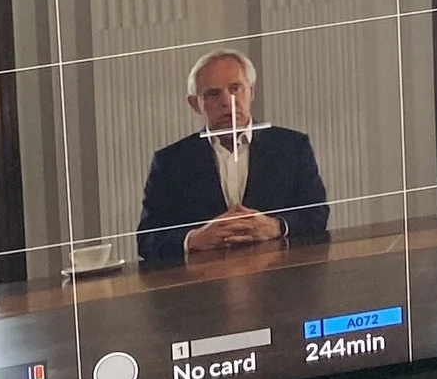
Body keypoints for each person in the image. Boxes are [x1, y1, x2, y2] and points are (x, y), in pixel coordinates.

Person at [136, 47, 329, 269]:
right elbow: (147, 239)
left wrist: (277, 227)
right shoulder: (170, 162)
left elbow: (316, 215)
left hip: (280, 281)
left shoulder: (292, 147)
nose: (227, 102)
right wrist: (194, 239)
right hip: (203, 285)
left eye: (235, 89)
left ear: (251, 92)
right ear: (195, 103)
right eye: (213, 94)